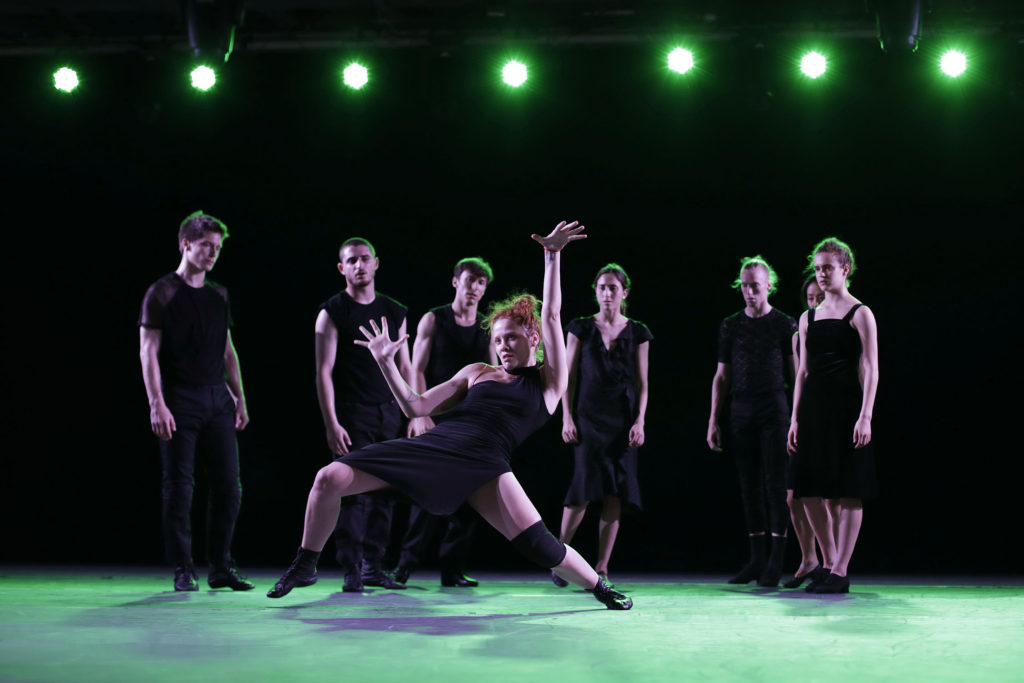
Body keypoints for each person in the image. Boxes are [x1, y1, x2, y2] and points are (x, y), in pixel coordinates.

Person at [268, 221, 632, 610]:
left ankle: (599, 587)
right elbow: (415, 406)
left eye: (511, 337)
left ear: (533, 338)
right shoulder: (478, 372)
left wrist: (552, 256)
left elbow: (553, 316)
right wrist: (386, 363)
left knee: (541, 545)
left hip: (486, 464)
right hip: (435, 447)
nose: (502, 345)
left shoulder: (549, 382)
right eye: (497, 339)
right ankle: (305, 565)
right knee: (328, 478)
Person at [138, 210, 253, 592]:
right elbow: (148, 352)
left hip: (217, 398)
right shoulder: (162, 292)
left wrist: (240, 398)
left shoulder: (219, 295)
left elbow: (228, 350)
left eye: (217, 247)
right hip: (179, 398)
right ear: (185, 244)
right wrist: (156, 402)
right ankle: (183, 568)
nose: (212, 253)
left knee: (229, 486)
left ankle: (220, 566)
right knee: (179, 486)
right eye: (206, 245)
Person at [315, 237, 413, 592]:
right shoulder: (332, 312)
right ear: (342, 268)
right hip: (352, 413)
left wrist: (416, 413)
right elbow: (323, 371)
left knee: (386, 491)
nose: (359, 265)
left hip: (390, 412)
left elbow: (407, 367)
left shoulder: (394, 311)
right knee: (352, 493)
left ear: (376, 263)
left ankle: (374, 566)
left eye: (364, 258)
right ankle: (352, 568)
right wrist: (331, 422)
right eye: (352, 260)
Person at [394, 257, 499, 588]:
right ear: (456, 282)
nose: (475, 288)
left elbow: (493, 373)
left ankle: (452, 570)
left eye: (481, 283)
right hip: (436, 416)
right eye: (470, 280)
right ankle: (404, 566)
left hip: (471, 421)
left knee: (469, 498)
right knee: (428, 492)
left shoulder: (487, 326)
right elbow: (416, 368)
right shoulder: (434, 319)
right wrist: (421, 414)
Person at [788, 238, 879, 594]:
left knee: (847, 490)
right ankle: (828, 562)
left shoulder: (860, 313)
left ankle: (840, 570)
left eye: (827, 267)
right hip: (814, 409)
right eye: (817, 268)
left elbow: (870, 366)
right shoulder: (808, 317)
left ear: (845, 268)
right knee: (809, 490)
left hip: (846, 408)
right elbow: (802, 372)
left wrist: (865, 415)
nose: (821, 274)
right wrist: (794, 419)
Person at [554, 263, 651, 587]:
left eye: (613, 288)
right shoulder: (580, 327)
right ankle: (559, 558)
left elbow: (643, 384)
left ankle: (602, 567)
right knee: (583, 487)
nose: (607, 293)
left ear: (624, 293)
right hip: (588, 417)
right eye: (602, 287)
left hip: (621, 420)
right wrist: (566, 416)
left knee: (615, 491)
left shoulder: (638, 331)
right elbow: (567, 377)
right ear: (595, 291)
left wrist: (640, 421)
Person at [707, 256, 797, 587]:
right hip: (742, 407)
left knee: (775, 483)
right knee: (748, 483)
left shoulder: (784, 324)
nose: (749, 292)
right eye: (744, 286)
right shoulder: (731, 325)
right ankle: (756, 558)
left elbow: (795, 373)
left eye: (755, 286)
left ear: (768, 286)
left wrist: (797, 417)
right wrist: (713, 419)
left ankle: (776, 559)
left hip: (774, 407)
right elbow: (722, 375)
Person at [782, 276, 829, 589]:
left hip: (831, 411)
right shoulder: (800, 332)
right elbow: (801, 374)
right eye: (810, 298)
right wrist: (795, 418)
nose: (814, 303)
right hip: (806, 413)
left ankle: (830, 563)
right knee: (793, 493)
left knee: (826, 494)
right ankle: (809, 558)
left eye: (819, 297)